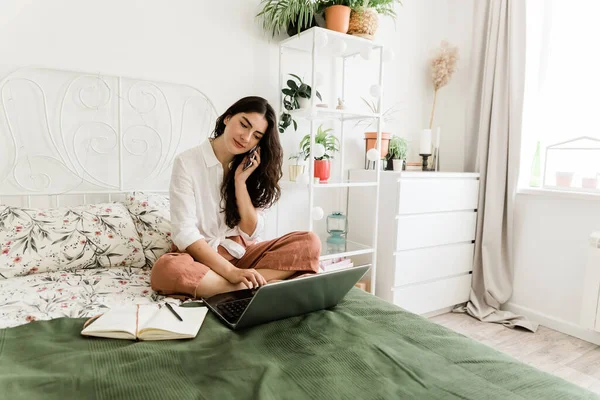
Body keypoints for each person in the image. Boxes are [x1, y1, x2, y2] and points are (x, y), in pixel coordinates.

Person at [151, 96, 321, 299]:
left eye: (257, 135)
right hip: (199, 259)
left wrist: (240, 182)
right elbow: (185, 233)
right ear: (227, 118)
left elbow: (251, 231)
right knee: (167, 268)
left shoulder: (251, 167)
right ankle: (252, 287)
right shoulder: (187, 162)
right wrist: (231, 273)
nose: (246, 138)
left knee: (309, 242)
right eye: (244, 124)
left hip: (243, 255)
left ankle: (227, 286)